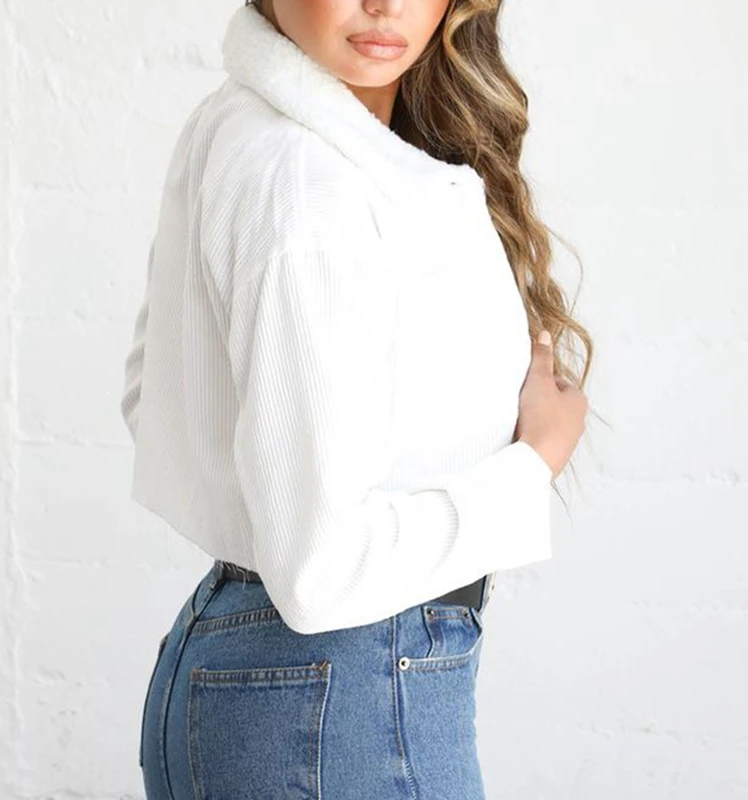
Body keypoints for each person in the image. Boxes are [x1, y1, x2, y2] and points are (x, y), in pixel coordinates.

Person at [120, 1, 590, 797]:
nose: (384, 4)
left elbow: (154, 392)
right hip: (343, 692)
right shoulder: (307, 182)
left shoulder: (246, 127)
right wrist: (534, 460)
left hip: (284, 686)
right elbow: (322, 571)